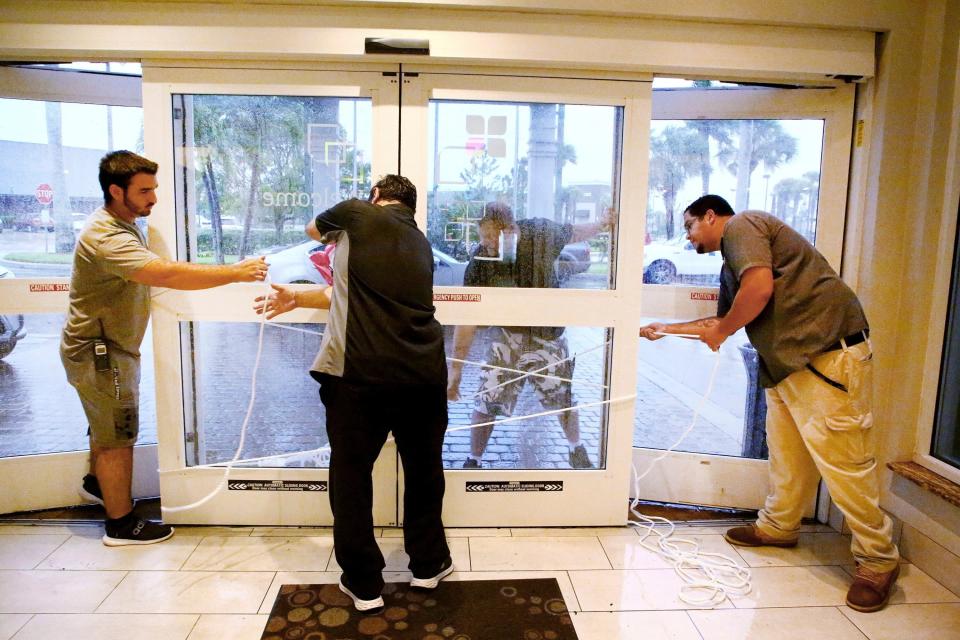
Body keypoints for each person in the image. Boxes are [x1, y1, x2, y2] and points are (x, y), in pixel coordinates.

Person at [639, 194, 900, 613]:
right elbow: (719, 322)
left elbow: (757, 292)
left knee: (844, 462)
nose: (688, 237)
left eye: (690, 226)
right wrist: (664, 328)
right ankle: (779, 527)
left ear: (711, 216)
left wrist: (722, 329)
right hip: (788, 366)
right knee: (788, 455)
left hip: (826, 357)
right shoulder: (733, 266)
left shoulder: (744, 225)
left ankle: (878, 559)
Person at [254, 175, 452, 614]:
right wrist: (300, 299)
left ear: (375, 197)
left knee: (351, 475)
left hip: (359, 376)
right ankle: (428, 564)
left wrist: (341, 224)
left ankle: (364, 584)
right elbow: (352, 293)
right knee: (423, 471)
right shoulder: (418, 242)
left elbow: (312, 231)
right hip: (422, 374)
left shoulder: (357, 214)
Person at [62, 150, 268, 546]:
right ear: (115, 190)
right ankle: (120, 526)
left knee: (105, 426)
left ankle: (99, 485)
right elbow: (165, 273)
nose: (153, 198)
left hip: (109, 347)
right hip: (99, 352)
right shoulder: (103, 236)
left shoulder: (127, 224)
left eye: (154, 189)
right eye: (144, 191)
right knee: (117, 434)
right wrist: (236, 272)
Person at [447, 203, 614, 470]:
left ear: (511, 229)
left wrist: (603, 224)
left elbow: (574, 232)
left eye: (492, 237)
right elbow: (467, 318)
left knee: (564, 397)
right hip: (509, 336)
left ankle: (576, 449)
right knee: (487, 398)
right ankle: (473, 460)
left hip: (547, 334)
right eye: (482, 237)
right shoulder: (480, 261)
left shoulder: (540, 232)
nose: (486, 244)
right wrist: (456, 370)